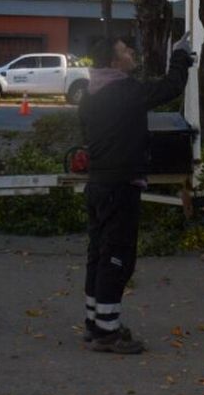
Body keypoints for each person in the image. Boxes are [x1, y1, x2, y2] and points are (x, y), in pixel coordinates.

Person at [77, 35, 192, 355]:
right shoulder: (124, 92)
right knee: (117, 258)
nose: (131, 53)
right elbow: (170, 87)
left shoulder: (89, 95)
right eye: (125, 51)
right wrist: (180, 56)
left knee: (98, 255)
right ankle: (108, 335)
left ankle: (96, 323)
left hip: (99, 185)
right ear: (114, 63)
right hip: (120, 187)